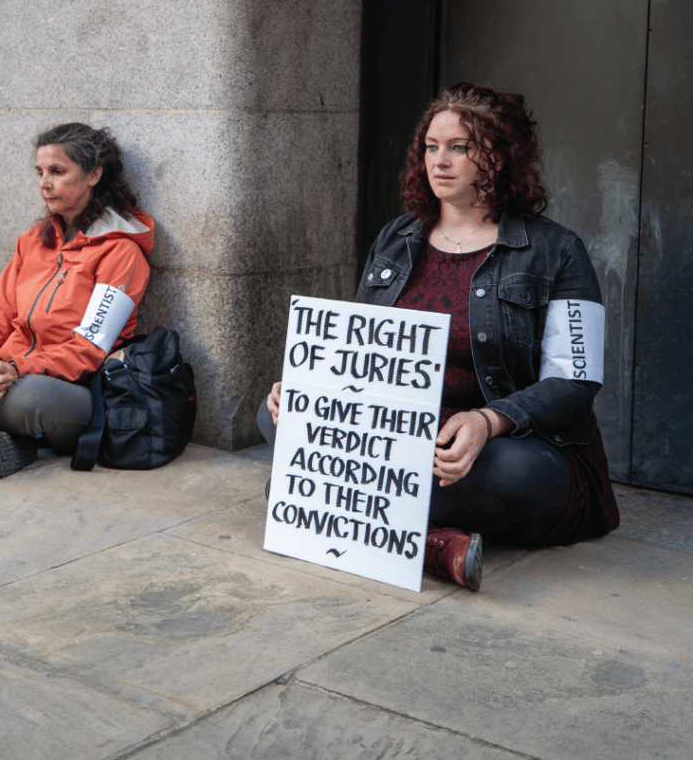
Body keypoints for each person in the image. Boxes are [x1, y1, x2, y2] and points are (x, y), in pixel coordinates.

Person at [259, 84, 619, 590]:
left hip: (508, 446)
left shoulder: (556, 250)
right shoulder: (396, 239)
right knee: (274, 415)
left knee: (508, 475)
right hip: (405, 437)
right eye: (431, 147)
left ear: (499, 155)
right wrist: (309, 387)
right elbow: (362, 350)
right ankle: (432, 543)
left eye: (460, 147)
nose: (439, 161)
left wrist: (488, 420)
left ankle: (332, 502)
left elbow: (575, 383)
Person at [0, 123, 154, 478]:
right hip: (15, 372)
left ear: (94, 174)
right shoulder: (32, 241)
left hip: (75, 391)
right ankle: (17, 443)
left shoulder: (122, 253)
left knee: (25, 398)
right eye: (39, 172)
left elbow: (88, 349)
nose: (44, 183)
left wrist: (18, 369)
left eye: (57, 171)